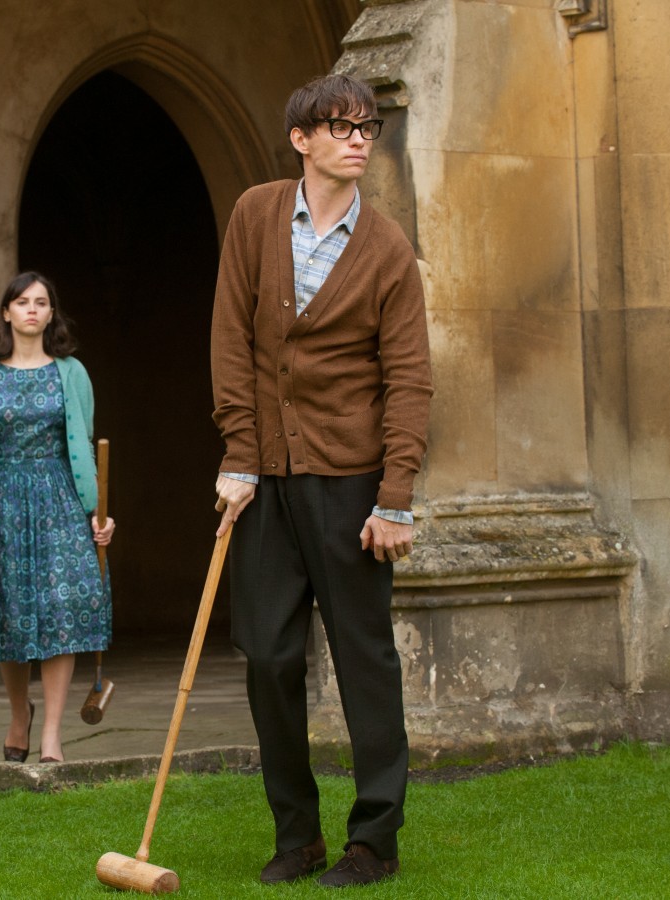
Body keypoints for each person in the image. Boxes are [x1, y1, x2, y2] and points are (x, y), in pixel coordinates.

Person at [210, 74, 432, 887]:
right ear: (301, 139)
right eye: (340, 128)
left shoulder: (388, 250)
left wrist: (396, 497)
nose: (358, 140)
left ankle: (374, 839)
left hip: (352, 484)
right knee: (267, 657)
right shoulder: (256, 214)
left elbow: (409, 378)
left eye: (367, 128)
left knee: (365, 661)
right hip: (264, 479)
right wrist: (238, 452)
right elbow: (231, 335)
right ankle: (296, 835)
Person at [0, 271, 116, 764]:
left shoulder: (72, 373)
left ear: (51, 313)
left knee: (63, 611)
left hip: (61, 503)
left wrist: (98, 515)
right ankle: (21, 714)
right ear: (6, 312)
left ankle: (52, 738)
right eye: (22, 302)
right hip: (2, 507)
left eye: (42, 302)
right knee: (10, 616)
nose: (32, 310)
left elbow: (84, 448)